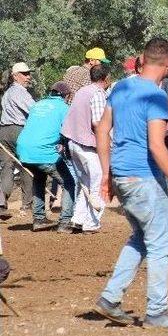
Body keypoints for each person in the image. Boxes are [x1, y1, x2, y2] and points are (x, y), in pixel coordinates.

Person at [93, 37, 168, 328]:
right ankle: (157, 312)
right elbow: (156, 146)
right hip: (145, 177)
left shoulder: (121, 87)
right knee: (162, 242)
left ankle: (110, 299)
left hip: (123, 174)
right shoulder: (155, 96)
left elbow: (102, 130)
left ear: (142, 57)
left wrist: (106, 174)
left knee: (140, 238)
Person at [16, 82, 76, 232]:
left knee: (39, 178)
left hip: (24, 150)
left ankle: (39, 219)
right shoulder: (64, 108)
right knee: (68, 182)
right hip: (44, 152)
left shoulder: (38, 104)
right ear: (64, 95)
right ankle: (65, 222)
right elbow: (68, 133)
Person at [61, 64, 111, 233]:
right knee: (99, 183)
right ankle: (92, 223)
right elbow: (98, 123)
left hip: (73, 143)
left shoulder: (82, 91)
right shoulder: (98, 94)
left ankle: (78, 219)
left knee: (86, 184)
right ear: (105, 79)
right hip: (87, 146)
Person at [0, 62, 35, 219]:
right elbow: (33, 110)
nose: (28, 76)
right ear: (15, 76)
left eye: (28, 73)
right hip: (18, 130)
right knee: (26, 165)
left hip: (3, 131)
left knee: (6, 167)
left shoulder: (7, 93)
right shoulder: (20, 92)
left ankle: (1, 204)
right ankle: (27, 203)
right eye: (24, 74)